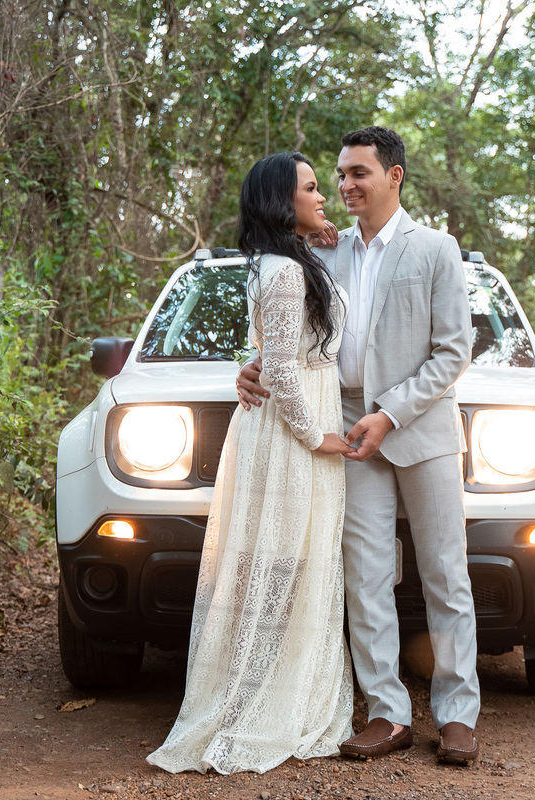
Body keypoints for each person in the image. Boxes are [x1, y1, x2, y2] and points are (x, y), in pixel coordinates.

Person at [238, 126, 481, 765]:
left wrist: (391, 414)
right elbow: (287, 328)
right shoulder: (322, 253)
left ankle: (457, 715)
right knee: (366, 576)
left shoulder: (436, 249)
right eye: (339, 175)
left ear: (393, 176)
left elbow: (454, 351)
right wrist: (251, 365)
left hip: (419, 432)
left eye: (357, 174)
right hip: (348, 434)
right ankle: (388, 713)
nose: (345, 186)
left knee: (444, 575)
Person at [147, 152, 354, 775]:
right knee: (292, 562)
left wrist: (316, 240)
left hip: (278, 424)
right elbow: (285, 366)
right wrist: (316, 435)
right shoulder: (287, 272)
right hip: (296, 430)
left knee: (279, 561)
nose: (324, 197)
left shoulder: (278, 262)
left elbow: (272, 350)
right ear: (280, 202)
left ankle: (264, 687)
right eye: (313, 188)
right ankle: (270, 701)